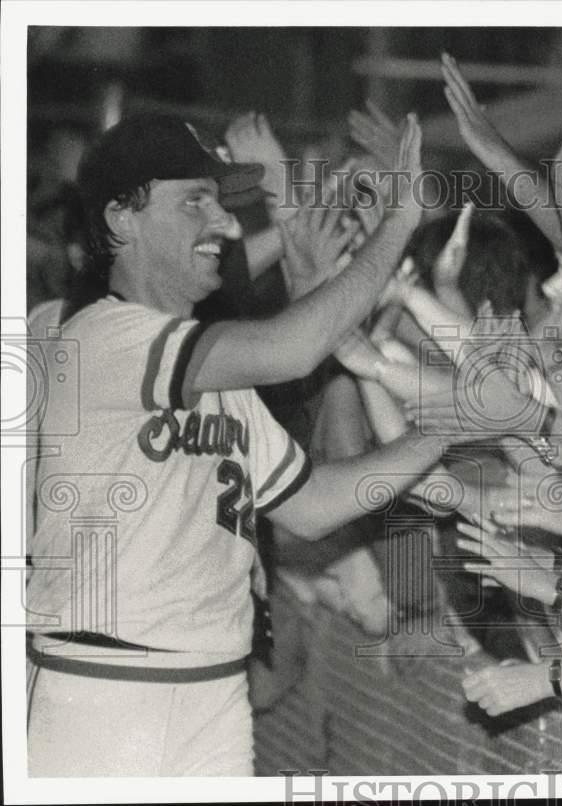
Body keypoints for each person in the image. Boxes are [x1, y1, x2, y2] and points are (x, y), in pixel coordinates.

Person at [24, 112, 479, 777]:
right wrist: (400, 222)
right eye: (194, 202)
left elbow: (314, 505)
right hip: (100, 686)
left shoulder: (212, 368)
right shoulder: (96, 335)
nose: (227, 224)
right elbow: (293, 349)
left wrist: (457, 421)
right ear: (122, 219)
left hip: (214, 690)